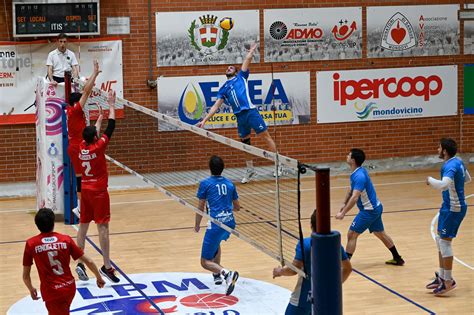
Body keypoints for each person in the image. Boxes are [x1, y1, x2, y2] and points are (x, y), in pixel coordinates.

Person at [197, 43, 278, 184]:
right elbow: (215, 107)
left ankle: (278, 164)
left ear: (235, 71)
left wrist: (251, 52)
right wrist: (205, 121)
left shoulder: (241, 77)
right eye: (227, 67)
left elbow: (246, 61)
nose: (229, 68)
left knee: (266, 136)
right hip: (240, 117)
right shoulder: (223, 88)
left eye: (231, 67)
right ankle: (250, 169)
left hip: (251, 112)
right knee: (245, 144)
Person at [22, 208, 105, 315]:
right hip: (69, 287)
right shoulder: (65, 239)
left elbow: (25, 275)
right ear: (53, 223)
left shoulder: (31, 244)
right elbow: (88, 261)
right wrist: (98, 277)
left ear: (37, 224)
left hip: (52, 292)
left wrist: (30, 288)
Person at [76, 89, 120, 283]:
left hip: (85, 191)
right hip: (99, 193)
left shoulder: (82, 146)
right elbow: (112, 126)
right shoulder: (99, 146)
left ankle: (79, 263)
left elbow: (94, 133)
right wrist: (111, 105)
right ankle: (107, 267)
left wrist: (98, 121)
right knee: (103, 228)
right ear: (96, 138)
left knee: (83, 227)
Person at [273, 209, 352, 315]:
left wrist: (279, 271)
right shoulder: (335, 245)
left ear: (311, 225)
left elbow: (294, 269)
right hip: (326, 298)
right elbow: (348, 269)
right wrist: (333, 286)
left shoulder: (305, 244)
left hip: (304, 298)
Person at [335, 148, 405, 266]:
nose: (346, 156)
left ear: (353, 160)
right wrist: (343, 203)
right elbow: (351, 189)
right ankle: (397, 258)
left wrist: (343, 213)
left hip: (369, 211)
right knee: (380, 233)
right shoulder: (357, 172)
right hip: (375, 208)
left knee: (352, 234)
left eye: (349, 155)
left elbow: (355, 197)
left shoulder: (359, 176)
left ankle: (344, 265)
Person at [425, 138, 471, 296]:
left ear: (444, 150)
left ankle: (449, 281)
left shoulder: (450, 165)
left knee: (444, 243)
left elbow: (443, 185)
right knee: (440, 241)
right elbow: (467, 179)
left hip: (454, 208)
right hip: (448, 207)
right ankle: (442, 277)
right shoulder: (458, 161)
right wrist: (455, 187)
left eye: (439, 147)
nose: (437, 149)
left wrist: (430, 180)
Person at [194, 155, 240, 296]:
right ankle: (217, 275)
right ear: (222, 168)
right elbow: (237, 207)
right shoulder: (230, 183)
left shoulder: (205, 183)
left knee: (204, 261)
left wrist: (197, 224)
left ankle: (226, 273)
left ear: (210, 168)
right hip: (230, 222)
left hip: (215, 223)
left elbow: (200, 207)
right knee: (216, 243)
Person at [66, 60, 101, 223]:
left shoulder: (71, 111)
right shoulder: (75, 110)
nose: (83, 103)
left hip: (76, 146)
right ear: (76, 102)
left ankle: (82, 206)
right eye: (80, 101)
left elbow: (84, 91)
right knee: (83, 178)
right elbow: (86, 92)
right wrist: (94, 73)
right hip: (77, 148)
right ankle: (80, 207)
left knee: (83, 177)